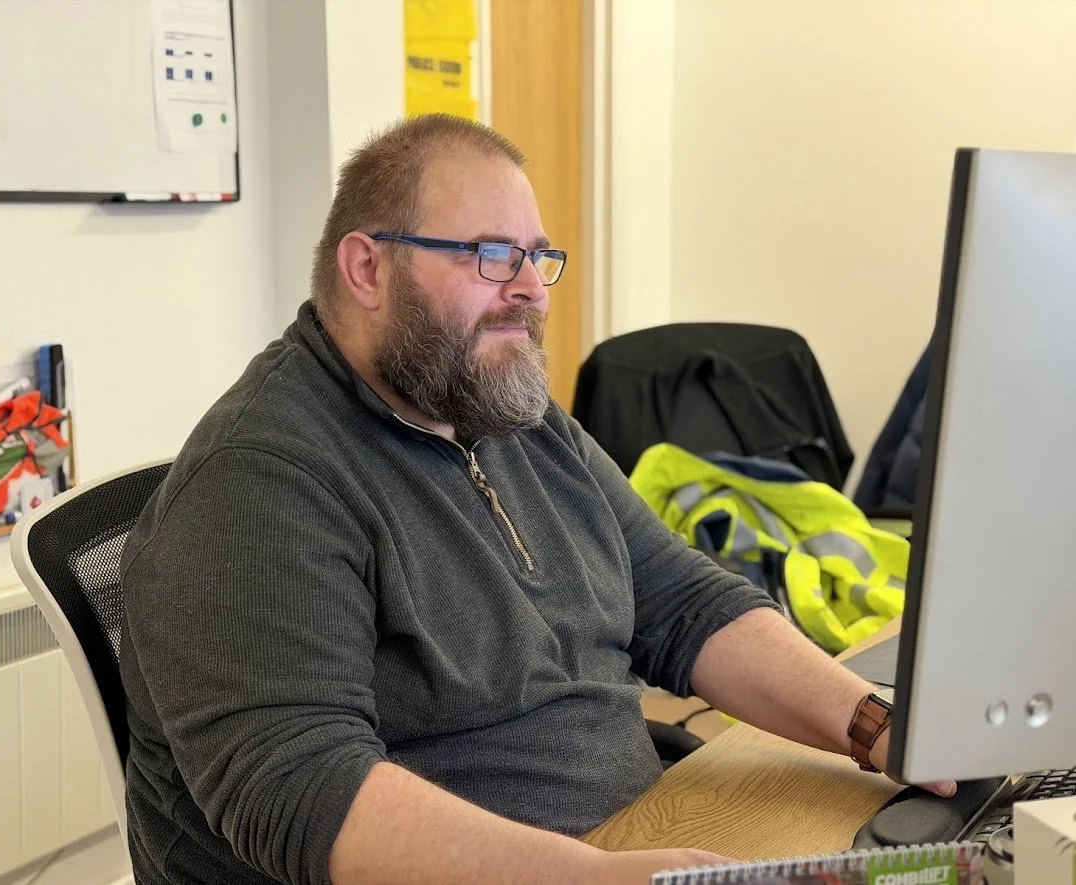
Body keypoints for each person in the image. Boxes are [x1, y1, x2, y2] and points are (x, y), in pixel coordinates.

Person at [118, 113, 952, 885]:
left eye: (537, 257)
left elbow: (681, 602)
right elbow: (304, 791)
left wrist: (878, 726)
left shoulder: (502, 411)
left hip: (632, 829)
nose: (530, 288)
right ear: (367, 268)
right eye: (490, 255)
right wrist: (597, 877)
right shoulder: (259, 480)